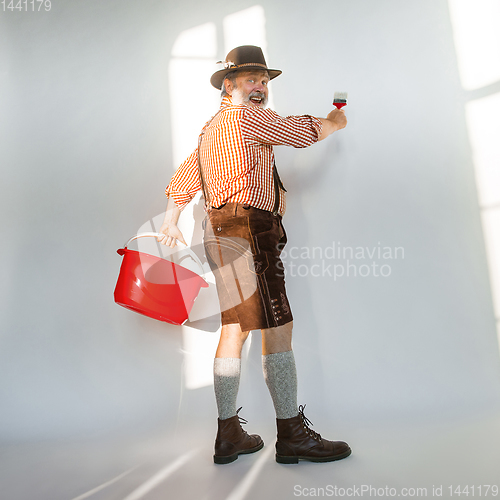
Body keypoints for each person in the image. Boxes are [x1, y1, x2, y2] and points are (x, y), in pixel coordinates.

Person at [158, 45, 351, 465]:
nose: (261, 86)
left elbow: (186, 175)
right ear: (229, 85)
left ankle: (228, 434)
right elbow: (296, 132)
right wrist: (333, 123)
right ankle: (292, 435)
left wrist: (172, 217)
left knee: (235, 327)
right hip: (249, 230)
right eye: (251, 79)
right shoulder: (246, 117)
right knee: (278, 323)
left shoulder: (211, 129)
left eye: (264, 80)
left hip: (221, 231)